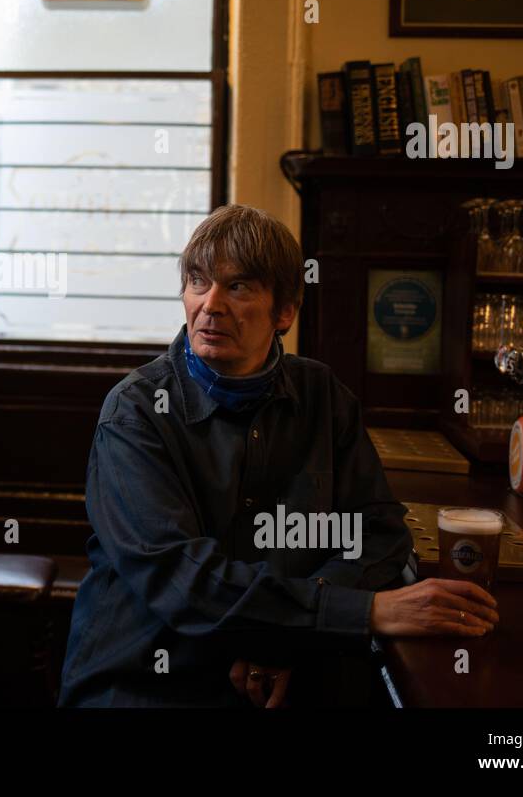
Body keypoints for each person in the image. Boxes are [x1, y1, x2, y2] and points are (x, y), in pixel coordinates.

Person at [58, 205, 498, 707]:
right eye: (198, 282)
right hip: (147, 679)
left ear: (285, 311)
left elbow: (378, 533)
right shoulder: (135, 412)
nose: (210, 305)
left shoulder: (322, 395)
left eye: (238, 287)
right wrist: (361, 611)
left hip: (278, 680)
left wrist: (288, 635)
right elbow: (184, 581)